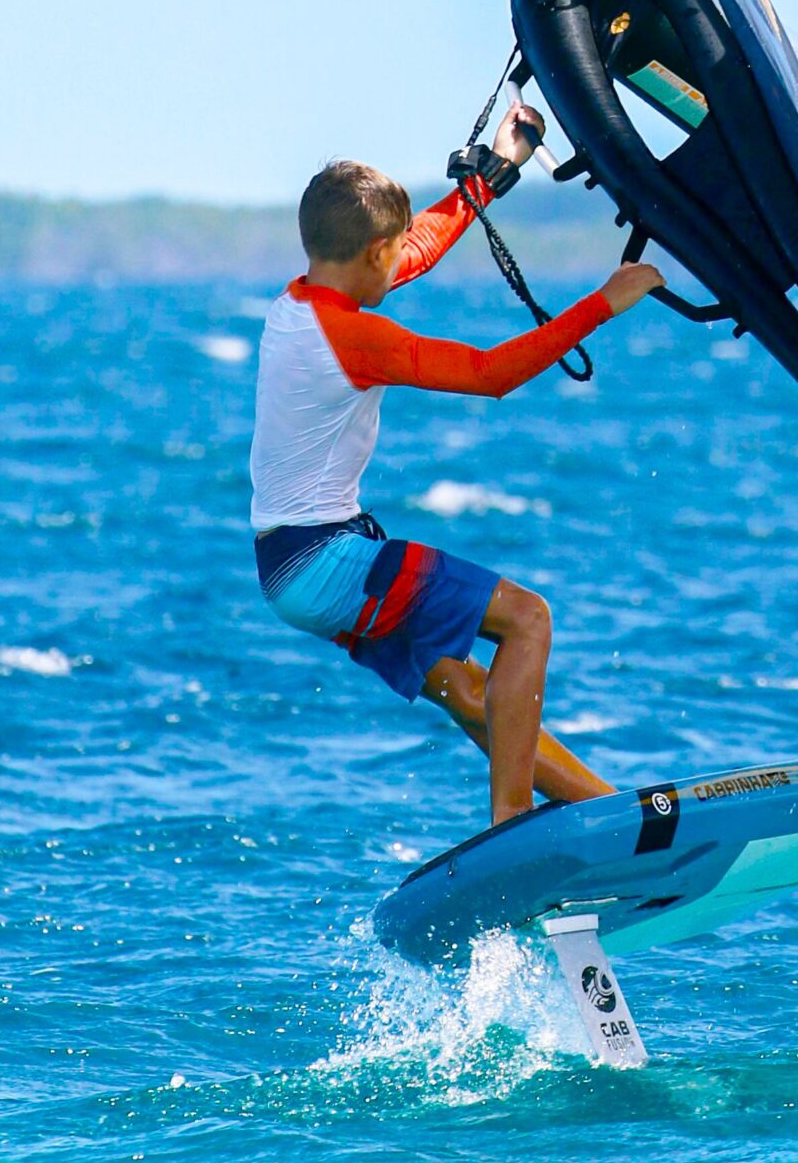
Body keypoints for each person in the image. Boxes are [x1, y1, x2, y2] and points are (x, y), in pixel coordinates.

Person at [249, 101, 663, 825]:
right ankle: (512, 828)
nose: (401, 259)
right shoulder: (353, 339)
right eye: (392, 250)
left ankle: (610, 816)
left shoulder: (300, 302)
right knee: (528, 621)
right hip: (328, 558)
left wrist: (492, 175)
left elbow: (415, 249)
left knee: (473, 692)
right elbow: (489, 373)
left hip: (288, 568)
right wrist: (603, 303)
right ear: (374, 253)